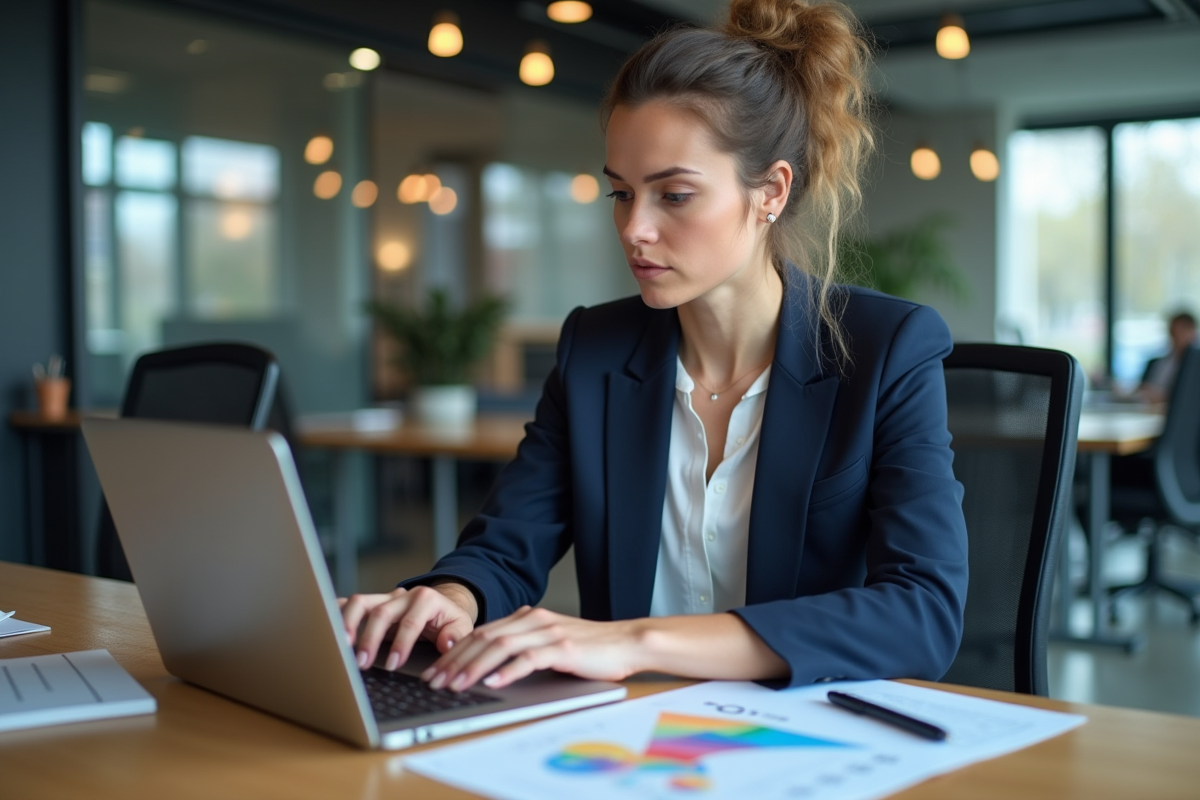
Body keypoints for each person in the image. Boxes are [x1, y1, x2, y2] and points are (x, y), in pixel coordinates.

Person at [341, 0, 968, 692]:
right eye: (620, 194)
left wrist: (634, 641)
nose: (634, 229)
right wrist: (450, 597)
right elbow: (508, 544)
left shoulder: (884, 349)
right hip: (630, 740)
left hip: (805, 734)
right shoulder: (596, 349)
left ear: (770, 193)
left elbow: (922, 613)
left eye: (673, 195)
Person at [1136, 311, 1198, 404]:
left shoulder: (1195, 366)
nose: (1176, 337)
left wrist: (1164, 396)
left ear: (1192, 333)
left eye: (1181, 332)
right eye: (1173, 332)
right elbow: (1140, 390)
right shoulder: (1155, 363)